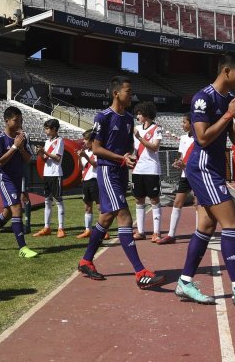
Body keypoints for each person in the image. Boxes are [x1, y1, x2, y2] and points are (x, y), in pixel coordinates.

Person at [175, 52, 235, 308]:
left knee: (205, 226)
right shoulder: (203, 98)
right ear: (227, 71)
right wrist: (228, 115)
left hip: (214, 167)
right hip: (203, 167)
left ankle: (184, 281)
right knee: (232, 222)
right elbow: (202, 138)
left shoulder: (229, 100)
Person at [77, 76, 166, 289]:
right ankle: (140, 272)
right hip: (108, 172)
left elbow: (128, 147)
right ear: (116, 93)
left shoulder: (127, 118)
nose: (131, 94)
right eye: (128, 91)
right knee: (125, 217)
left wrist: (129, 156)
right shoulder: (104, 116)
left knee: (106, 218)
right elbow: (96, 149)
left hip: (120, 173)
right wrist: (120, 159)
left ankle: (85, 261)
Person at [0, 106, 38, 258]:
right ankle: (23, 248)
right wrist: (14, 147)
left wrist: (20, 147)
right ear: (7, 121)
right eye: (16, 120)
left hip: (17, 177)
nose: (19, 123)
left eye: (21, 120)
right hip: (4, 177)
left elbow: (28, 159)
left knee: (7, 213)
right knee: (17, 207)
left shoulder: (22, 137)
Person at [157, 114, 195, 245]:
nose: (182, 125)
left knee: (198, 204)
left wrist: (186, 165)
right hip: (185, 175)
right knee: (177, 202)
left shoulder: (201, 139)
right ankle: (171, 234)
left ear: (192, 123)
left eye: (184, 122)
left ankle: (199, 233)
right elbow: (181, 156)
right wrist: (178, 163)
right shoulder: (183, 138)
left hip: (197, 175)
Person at [132, 101, 164, 242]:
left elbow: (154, 147)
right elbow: (134, 148)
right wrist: (131, 156)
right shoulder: (137, 128)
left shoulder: (157, 128)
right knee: (139, 199)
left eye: (140, 113)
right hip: (137, 169)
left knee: (154, 199)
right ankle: (140, 231)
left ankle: (156, 232)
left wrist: (139, 137)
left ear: (146, 114)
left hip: (151, 169)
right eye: (137, 113)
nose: (137, 116)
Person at [34, 119, 65, 238]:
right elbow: (46, 159)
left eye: (47, 128)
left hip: (56, 174)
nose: (45, 130)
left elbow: (57, 158)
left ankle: (61, 228)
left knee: (58, 200)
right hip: (47, 174)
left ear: (54, 129)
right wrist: (40, 153)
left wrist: (44, 152)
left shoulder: (60, 141)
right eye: (45, 128)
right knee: (47, 201)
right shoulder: (47, 142)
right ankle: (47, 227)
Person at [76, 129, 99, 239]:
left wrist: (84, 156)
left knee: (100, 207)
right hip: (85, 181)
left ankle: (104, 230)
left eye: (86, 139)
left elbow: (95, 165)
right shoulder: (85, 152)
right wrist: (79, 157)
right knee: (87, 207)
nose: (84, 141)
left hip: (95, 181)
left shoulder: (97, 151)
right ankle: (88, 230)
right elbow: (80, 168)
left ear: (92, 140)